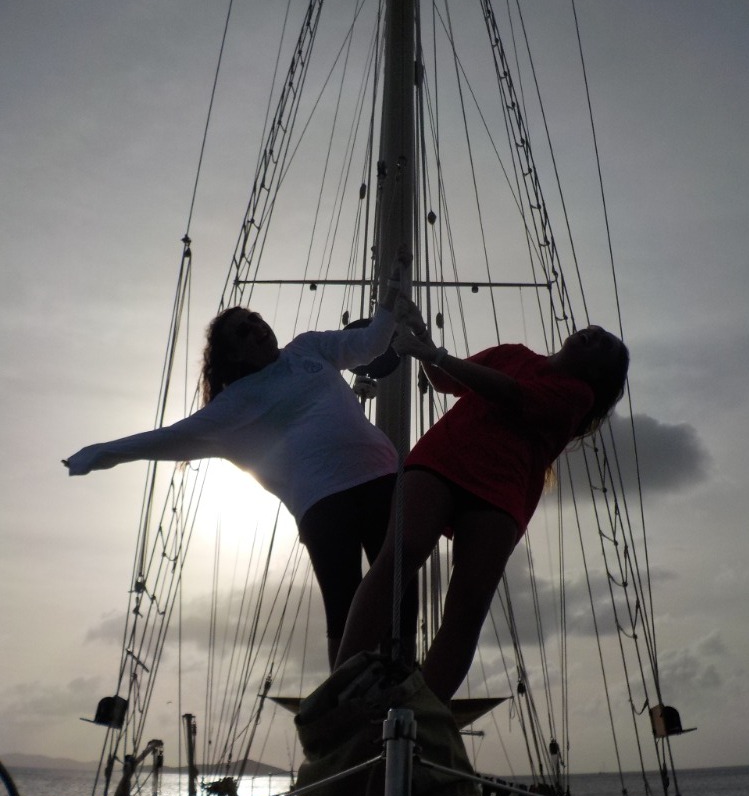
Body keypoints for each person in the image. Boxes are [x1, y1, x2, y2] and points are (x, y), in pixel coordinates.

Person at [64, 249, 414, 667]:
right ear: (233, 356)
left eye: (255, 320)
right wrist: (102, 453)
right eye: (243, 332)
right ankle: (346, 695)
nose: (256, 329)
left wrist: (393, 291)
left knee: (401, 588)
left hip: (382, 477)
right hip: (324, 500)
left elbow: (370, 344)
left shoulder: (309, 348)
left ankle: (406, 679)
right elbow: (172, 438)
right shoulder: (235, 404)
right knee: (345, 601)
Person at [335, 317, 630, 701]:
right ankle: (342, 683)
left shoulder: (577, 396)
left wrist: (433, 354)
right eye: (597, 331)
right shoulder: (513, 354)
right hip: (442, 458)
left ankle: (426, 707)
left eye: (605, 345)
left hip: (501, 489)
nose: (597, 334)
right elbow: (445, 380)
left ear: (598, 373)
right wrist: (423, 340)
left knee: (469, 601)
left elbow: (511, 393)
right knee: (399, 554)